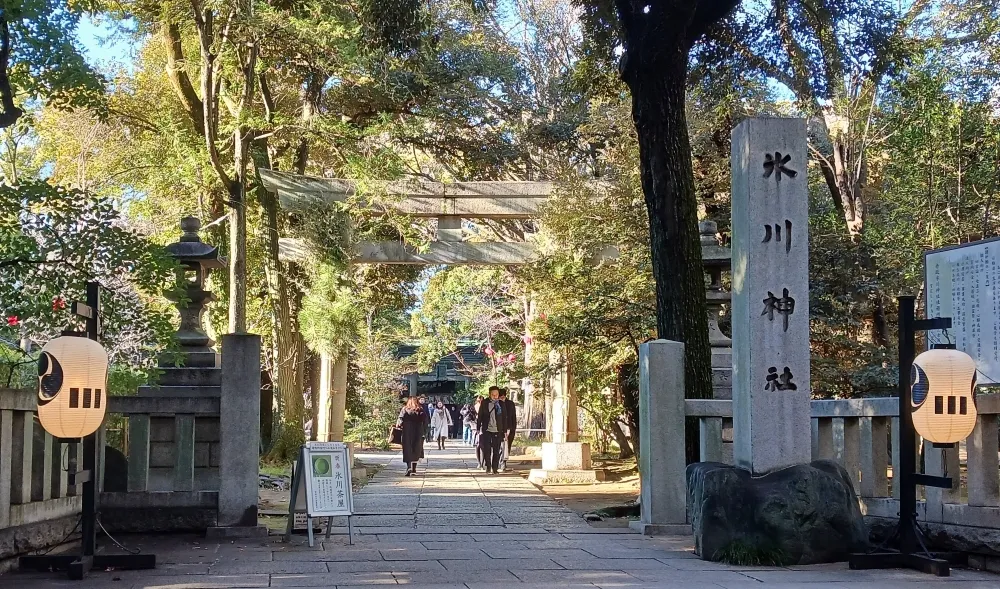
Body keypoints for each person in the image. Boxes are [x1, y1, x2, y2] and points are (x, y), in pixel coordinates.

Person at [477, 386, 505, 474]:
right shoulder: (485, 403)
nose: (495, 396)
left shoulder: (501, 404)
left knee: (496, 450)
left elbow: (504, 418)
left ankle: (495, 468)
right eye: (493, 395)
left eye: (496, 394)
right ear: (489, 394)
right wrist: (478, 428)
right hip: (487, 429)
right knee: (487, 449)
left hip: (498, 430)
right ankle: (488, 466)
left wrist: (505, 430)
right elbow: (480, 416)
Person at [397, 397, 427, 476]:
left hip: (407, 431)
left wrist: (399, 425)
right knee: (416, 449)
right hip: (418, 431)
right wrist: (425, 431)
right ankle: (414, 469)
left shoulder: (405, 409)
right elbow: (425, 421)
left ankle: (408, 466)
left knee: (407, 448)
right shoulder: (420, 410)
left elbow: (400, 419)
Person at [498, 389, 517, 472]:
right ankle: (499, 462)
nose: (502, 397)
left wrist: (513, 428)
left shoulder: (510, 404)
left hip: (509, 428)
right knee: (499, 446)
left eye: (503, 396)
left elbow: (513, 417)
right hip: (498, 428)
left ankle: (503, 463)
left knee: (506, 446)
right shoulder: (496, 404)